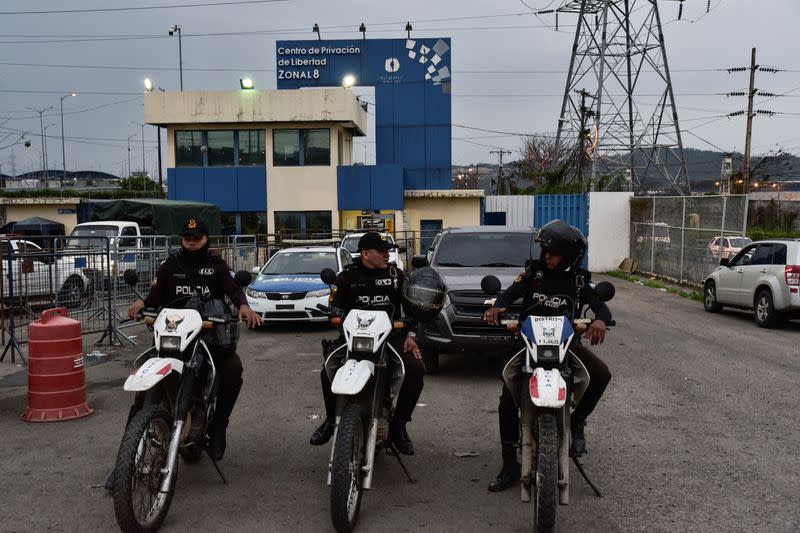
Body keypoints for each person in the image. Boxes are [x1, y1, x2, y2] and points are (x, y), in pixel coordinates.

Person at [482, 220, 613, 492]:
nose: (546, 256)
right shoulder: (532, 274)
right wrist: (497, 307)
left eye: (552, 253)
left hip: (565, 345)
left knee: (601, 374)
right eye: (545, 251)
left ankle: (576, 423)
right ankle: (509, 465)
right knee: (507, 401)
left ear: (568, 256)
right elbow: (510, 295)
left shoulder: (578, 281)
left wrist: (600, 320)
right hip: (528, 343)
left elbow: (600, 306)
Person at [127, 217, 262, 461]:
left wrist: (243, 306)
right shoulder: (169, 265)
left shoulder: (217, 266)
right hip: (173, 337)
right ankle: (125, 457)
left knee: (233, 368)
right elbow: (154, 297)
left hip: (207, 337)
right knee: (143, 377)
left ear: (206, 239)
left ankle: (219, 428)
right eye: (187, 238)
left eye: (196, 238)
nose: (191, 243)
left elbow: (232, 289)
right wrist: (142, 303)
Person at [309, 232, 425, 455]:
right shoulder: (346, 278)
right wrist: (332, 315)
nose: (386, 255)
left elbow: (411, 308)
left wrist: (410, 335)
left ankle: (399, 426)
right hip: (355, 337)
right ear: (365, 254)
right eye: (381, 251)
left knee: (416, 369)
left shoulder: (396, 275)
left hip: (391, 335)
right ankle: (331, 419)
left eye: (387, 251)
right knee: (329, 368)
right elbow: (336, 308)